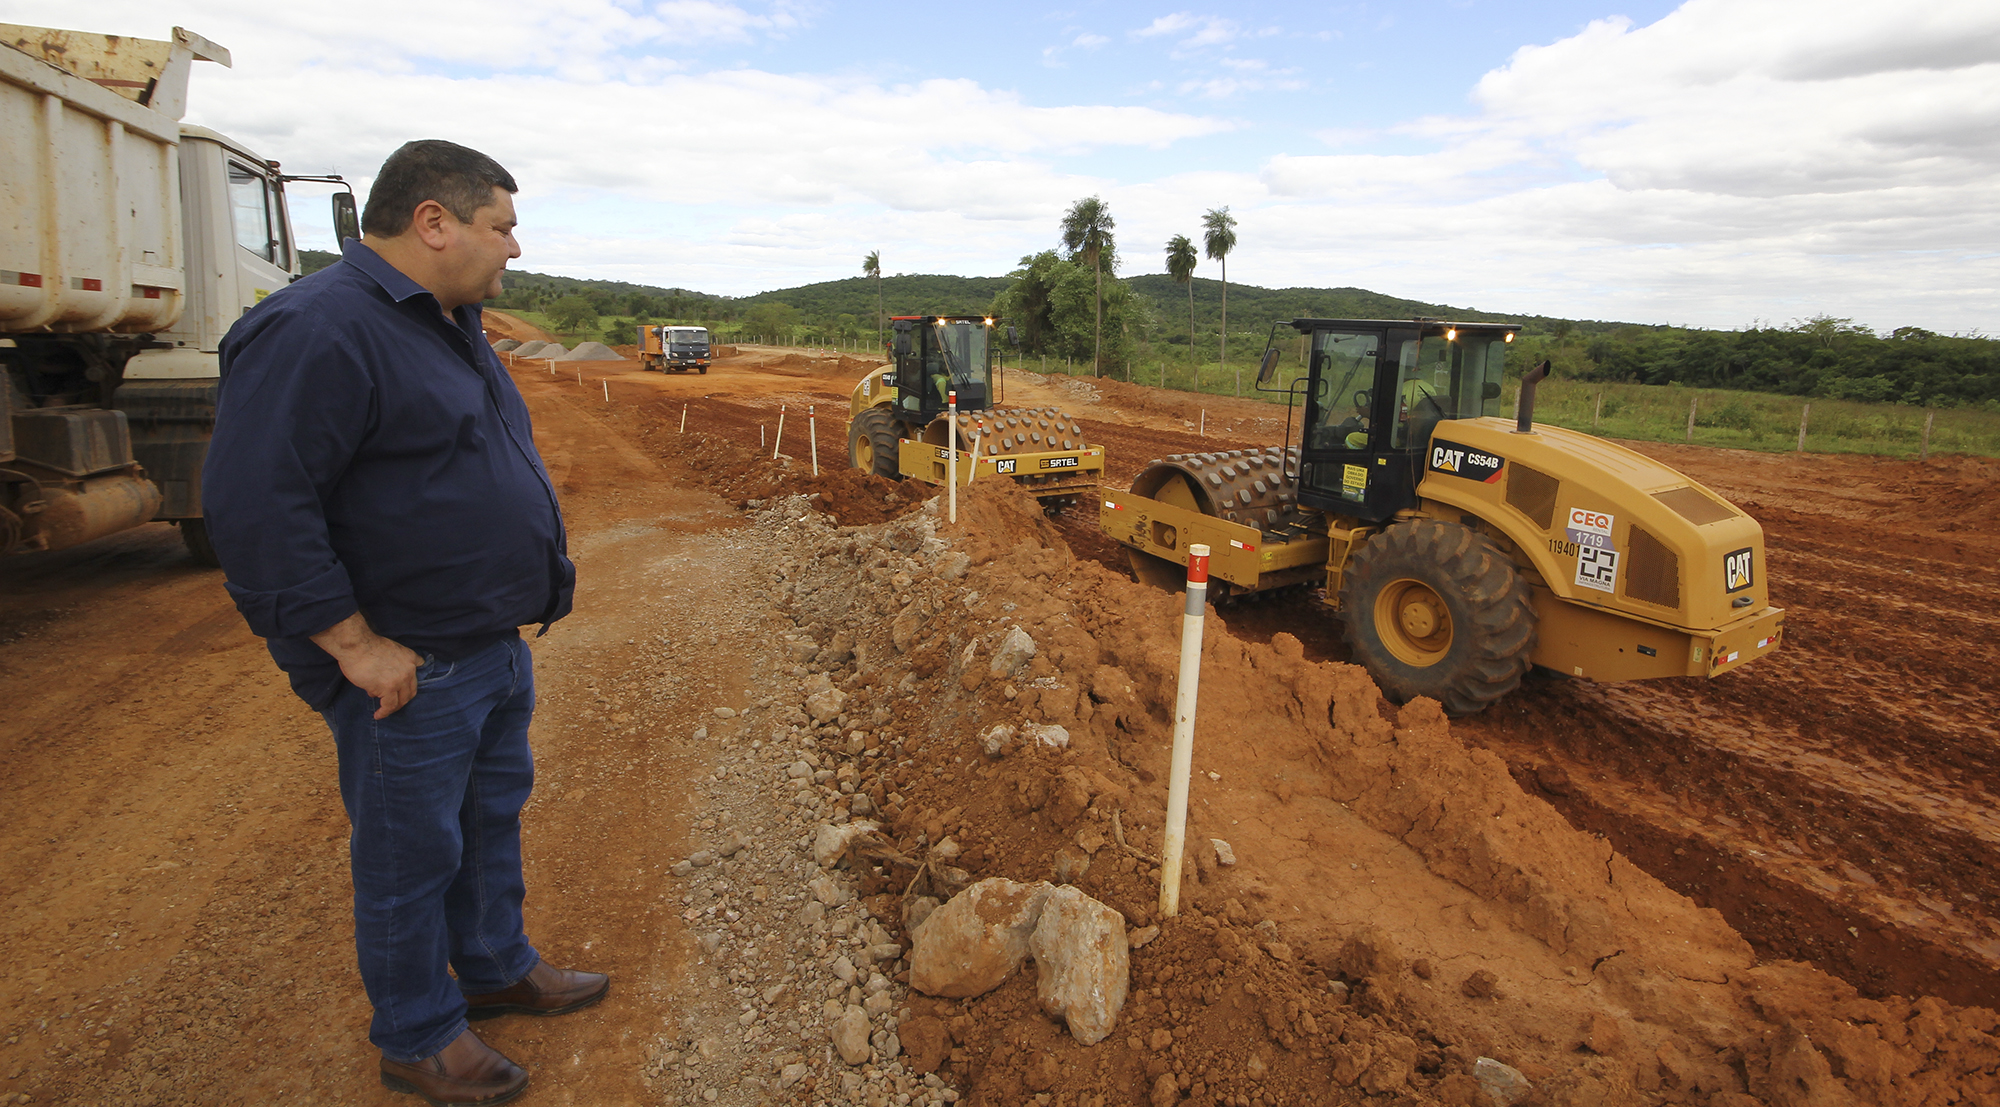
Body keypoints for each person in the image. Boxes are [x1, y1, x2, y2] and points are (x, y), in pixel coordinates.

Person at [203, 139, 605, 1106]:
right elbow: (259, 504)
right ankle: (419, 1032)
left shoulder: (449, 323)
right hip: (409, 667)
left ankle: (495, 964)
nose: (514, 246)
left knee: (487, 823)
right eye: (501, 226)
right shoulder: (318, 328)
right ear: (435, 221)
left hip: (489, 649)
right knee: (408, 855)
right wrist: (350, 643)